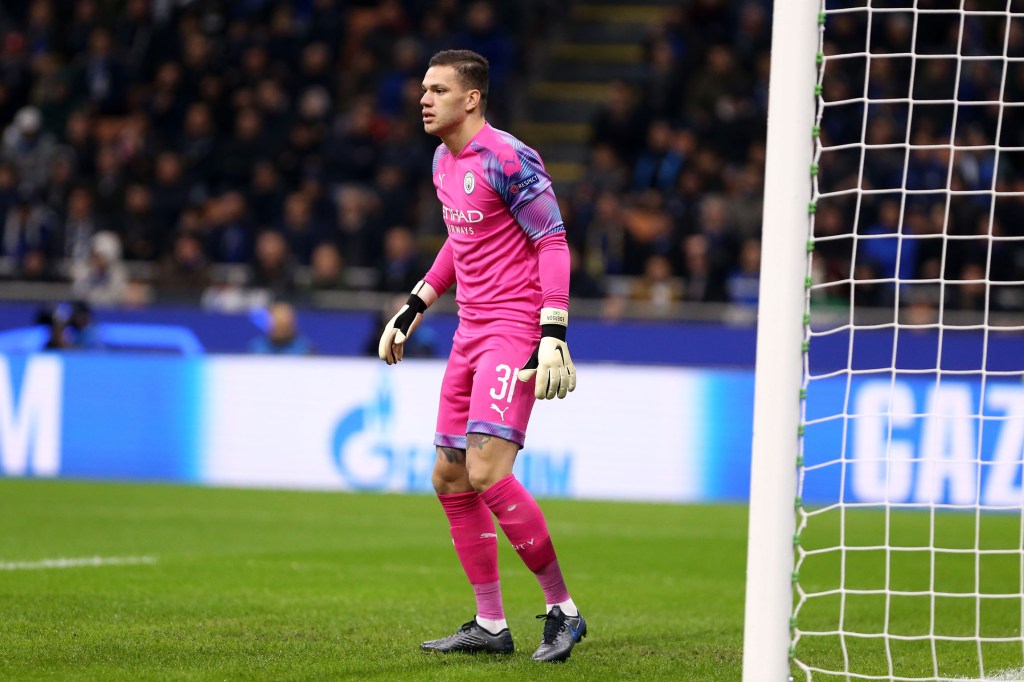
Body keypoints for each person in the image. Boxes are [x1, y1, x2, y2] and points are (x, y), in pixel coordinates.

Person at [377, 50, 585, 663]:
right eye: (424, 89)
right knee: (449, 476)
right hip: (469, 331)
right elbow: (459, 237)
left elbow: (552, 239)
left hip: (513, 330)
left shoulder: (508, 157)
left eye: (438, 90)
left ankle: (563, 610)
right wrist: (415, 304)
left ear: (471, 99)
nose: (424, 99)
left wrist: (553, 331)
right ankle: (490, 623)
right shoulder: (443, 160)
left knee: (489, 470)